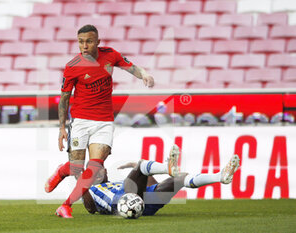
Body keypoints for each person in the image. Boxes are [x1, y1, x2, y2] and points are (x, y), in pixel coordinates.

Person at [45, 24, 155, 218]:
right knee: (77, 168)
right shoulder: (72, 66)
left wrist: (144, 74)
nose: (84, 46)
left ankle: (66, 206)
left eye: (88, 41)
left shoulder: (110, 55)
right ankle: (63, 171)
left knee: (95, 167)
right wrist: (62, 127)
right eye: (80, 42)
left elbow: (131, 67)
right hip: (80, 120)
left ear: (97, 42)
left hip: (104, 121)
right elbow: (64, 97)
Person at [82, 145, 240, 216]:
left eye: (99, 168)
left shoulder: (116, 183)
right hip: (122, 201)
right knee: (143, 165)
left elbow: (153, 185)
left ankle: (220, 176)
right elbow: (90, 209)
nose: (96, 172)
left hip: (147, 205)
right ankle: (166, 166)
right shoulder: (90, 191)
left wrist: (137, 167)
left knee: (179, 178)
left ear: (105, 170)